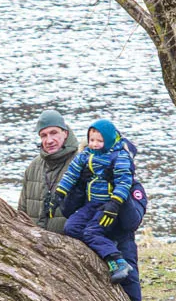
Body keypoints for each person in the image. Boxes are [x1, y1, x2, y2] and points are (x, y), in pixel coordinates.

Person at [51, 120, 141, 286]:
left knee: (91, 232)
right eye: (91, 140)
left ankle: (117, 259)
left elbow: (124, 182)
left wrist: (114, 203)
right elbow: (71, 173)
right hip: (91, 204)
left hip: (108, 206)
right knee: (71, 227)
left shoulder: (119, 157)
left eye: (99, 141)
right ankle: (104, 253)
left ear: (108, 140)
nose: (94, 144)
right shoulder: (86, 156)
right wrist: (60, 193)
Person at [18, 110, 77, 233]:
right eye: (44, 135)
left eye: (54, 133)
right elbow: (22, 211)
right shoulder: (33, 167)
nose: (49, 140)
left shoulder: (81, 162)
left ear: (65, 133)